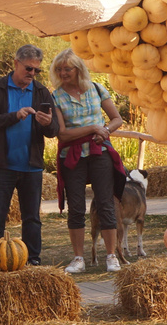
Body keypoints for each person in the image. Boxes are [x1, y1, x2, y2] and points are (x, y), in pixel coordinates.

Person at [0, 44, 55, 265]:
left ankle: (33, 261)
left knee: (32, 218)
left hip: (31, 167)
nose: (31, 74)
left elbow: (54, 130)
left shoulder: (41, 92)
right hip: (2, 166)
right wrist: (14, 116)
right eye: (28, 69)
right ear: (16, 64)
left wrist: (48, 124)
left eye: (36, 70)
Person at [50, 49, 125, 274]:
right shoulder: (55, 96)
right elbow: (62, 134)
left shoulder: (96, 89)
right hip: (72, 155)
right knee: (76, 206)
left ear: (78, 69)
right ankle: (78, 258)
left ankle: (111, 256)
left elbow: (116, 119)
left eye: (67, 69)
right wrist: (93, 127)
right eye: (59, 69)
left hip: (99, 151)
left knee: (105, 202)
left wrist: (105, 130)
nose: (63, 73)